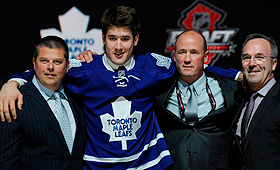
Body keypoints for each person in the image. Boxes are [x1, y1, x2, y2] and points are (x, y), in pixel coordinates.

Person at [0, 6, 175, 169]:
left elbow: (187, 66)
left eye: (125, 39)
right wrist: (12, 83)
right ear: (103, 38)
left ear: (136, 39)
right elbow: (47, 70)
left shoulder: (154, 66)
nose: (119, 47)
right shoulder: (84, 68)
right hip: (97, 165)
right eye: (112, 38)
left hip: (146, 164)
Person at [153, 30, 244, 170]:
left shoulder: (231, 90)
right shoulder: (159, 93)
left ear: (206, 56)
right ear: (174, 56)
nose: (187, 59)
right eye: (182, 52)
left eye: (194, 52)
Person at [0, 36, 87, 169]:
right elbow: (7, 161)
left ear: (67, 65)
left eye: (57, 62)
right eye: (44, 61)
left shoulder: (78, 97)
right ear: (34, 63)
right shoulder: (15, 101)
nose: (50, 67)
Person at [231, 33, 280, 170]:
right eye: (247, 58)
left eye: (259, 57)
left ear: (273, 64)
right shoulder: (240, 101)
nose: (252, 64)